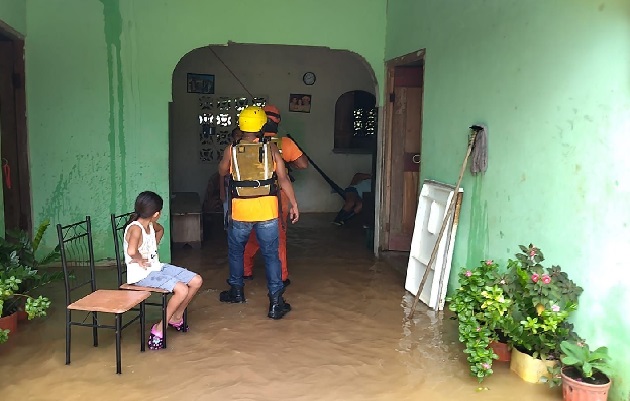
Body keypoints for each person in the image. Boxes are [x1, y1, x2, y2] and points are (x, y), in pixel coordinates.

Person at [218, 106, 299, 320]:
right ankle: (275, 303)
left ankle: (236, 292)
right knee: (272, 255)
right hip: (268, 211)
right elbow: (283, 178)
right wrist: (294, 203)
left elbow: (222, 171)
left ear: (241, 126)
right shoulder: (271, 148)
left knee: (236, 252)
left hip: (240, 211)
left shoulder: (231, 149)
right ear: (263, 125)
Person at [124, 191, 203, 350]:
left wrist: (154, 245)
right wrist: (139, 258)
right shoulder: (136, 228)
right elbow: (132, 251)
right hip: (141, 275)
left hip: (157, 268)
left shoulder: (151, 225)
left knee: (196, 280)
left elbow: (160, 230)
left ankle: (176, 316)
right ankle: (160, 327)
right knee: (181, 289)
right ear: (156, 214)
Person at [243, 104, 308, 285]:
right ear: (277, 122)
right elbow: (303, 164)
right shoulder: (284, 143)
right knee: (278, 236)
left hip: (246, 197)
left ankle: (245, 272)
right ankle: (281, 276)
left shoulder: (244, 143)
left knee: (250, 236)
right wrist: (287, 163)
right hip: (276, 197)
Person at [220, 127, 243, 223]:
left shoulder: (247, 150)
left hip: (243, 189)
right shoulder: (230, 150)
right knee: (229, 213)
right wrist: (222, 191)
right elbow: (221, 173)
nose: (240, 137)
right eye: (237, 135)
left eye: (241, 135)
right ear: (232, 137)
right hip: (229, 187)